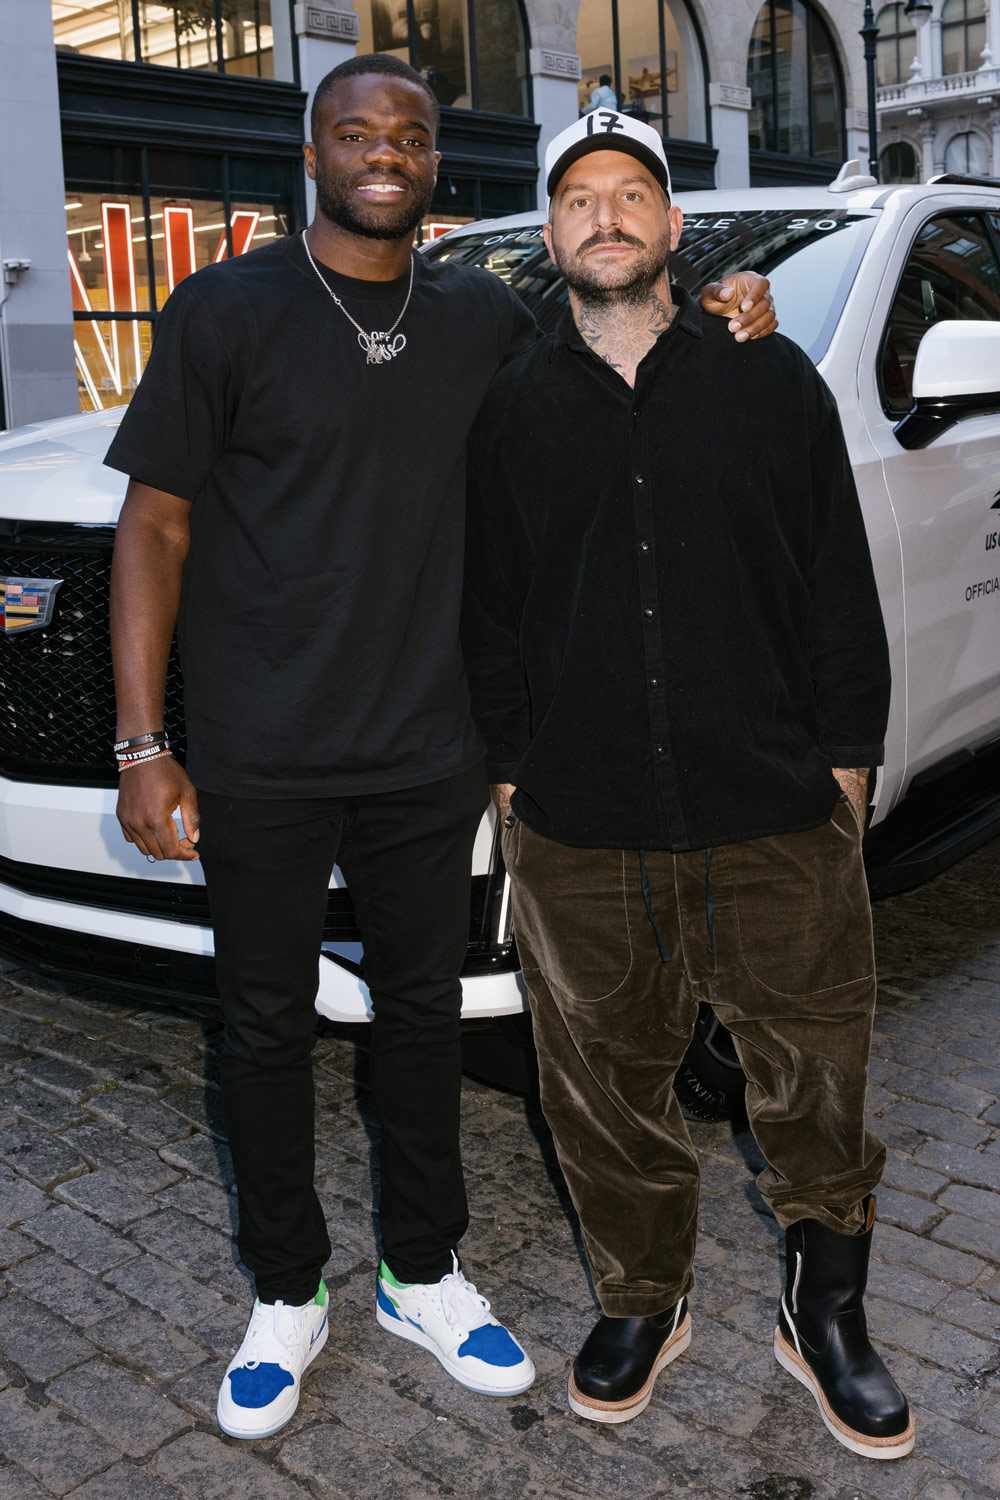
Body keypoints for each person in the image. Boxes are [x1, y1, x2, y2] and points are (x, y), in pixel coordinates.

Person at [107, 57, 778, 1443]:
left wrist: (728, 313)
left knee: (421, 1023)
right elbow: (153, 529)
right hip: (263, 750)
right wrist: (141, 744)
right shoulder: (224, 308)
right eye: (358, 130)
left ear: (433, 164)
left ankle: (423, 1269)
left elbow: (615, 357)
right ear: (313, 150)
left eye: (409, 133)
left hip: (430, 750)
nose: (387, 151)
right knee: (262, 1027)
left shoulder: (479, 313)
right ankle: (286, 1293)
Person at [462, 111, 915, 1462]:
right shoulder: (515, 404)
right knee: (600, 1087)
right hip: (580, 820)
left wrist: (848, 759)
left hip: (774, 805)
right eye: (578, 199)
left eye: (630, 195)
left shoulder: (770, 382)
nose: (604, 215)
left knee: (814, 1084)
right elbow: (491, 609)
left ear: (673, 228)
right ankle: (643, 1301)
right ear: (554, 237)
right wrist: (505, 777)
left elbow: (835, 579)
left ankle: (825, 1312)